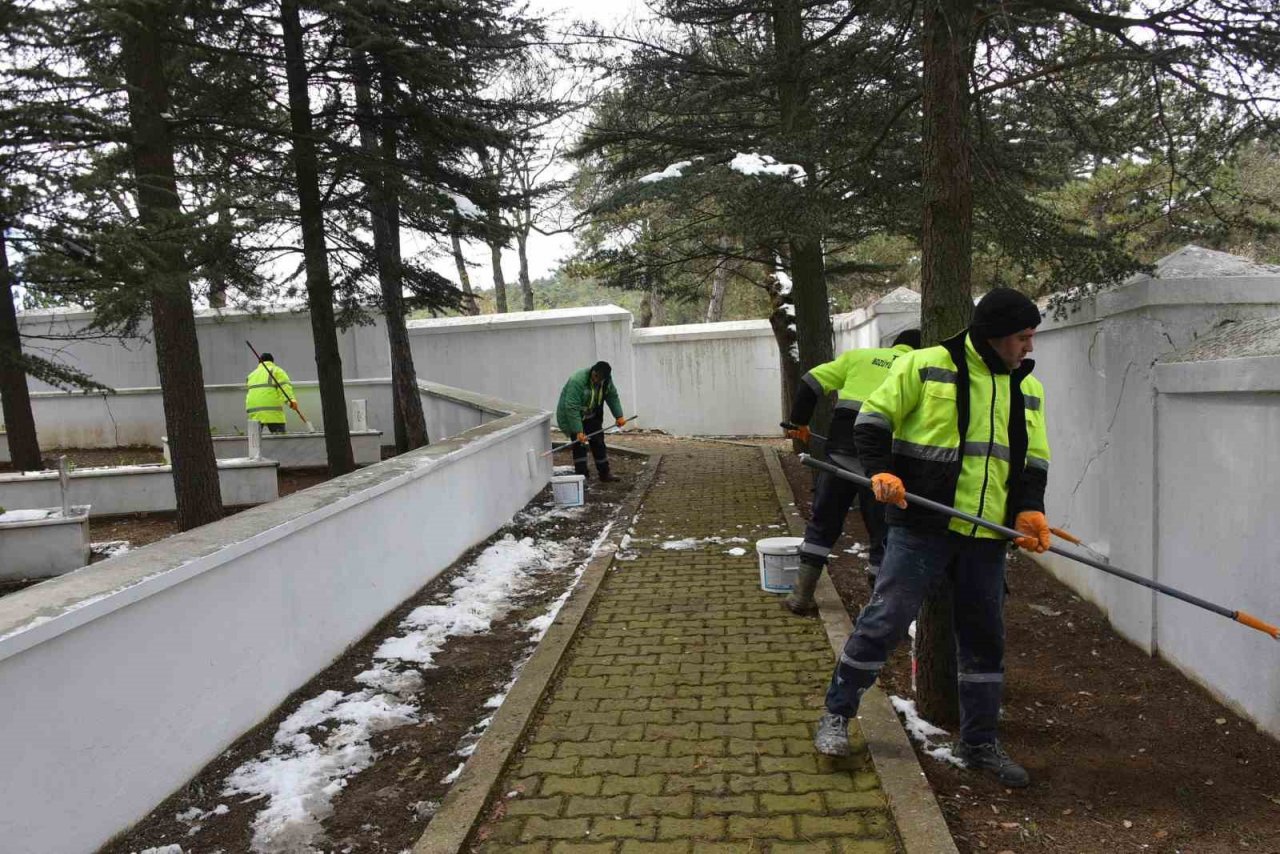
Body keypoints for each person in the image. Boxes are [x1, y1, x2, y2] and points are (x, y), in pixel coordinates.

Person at [812, 288, 1052, 790]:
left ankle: (978, 742)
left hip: (986, 533)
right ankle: (836, 714)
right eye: (1023, 338)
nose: (1029, 348)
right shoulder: (924, 365)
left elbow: (1032, 458)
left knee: (985, 639)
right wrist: (882, 472)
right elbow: (871, 422)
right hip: (921, 526)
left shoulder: (1027, 388)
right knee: (885, 622)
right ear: (994, 336)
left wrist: (1030, 509)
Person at [783, 329, 923, 613]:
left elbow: (810, 381)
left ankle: (801, 595)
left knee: (823, 524)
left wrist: (799, 422)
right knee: (882, 534)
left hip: (839, 455)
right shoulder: (917, 367)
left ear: (893, 345)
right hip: (881, 466)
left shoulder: (860, 357)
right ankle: (877, 610)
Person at [555, 361, 626, 482]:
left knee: (598, 442)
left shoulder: (607, 381)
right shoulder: (577, 380)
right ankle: (582, 477)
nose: (596, 381)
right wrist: (578, 431)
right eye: (595, 377)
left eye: (600, 379)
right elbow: (571, 407)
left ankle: (604, 473)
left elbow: (612, 396)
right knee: (579, 445)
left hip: (592, 415)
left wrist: (618, 415)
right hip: (572, 416)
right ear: (593, 372)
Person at [245, 352, 298, 435]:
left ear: (259, 362)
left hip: (254, 412)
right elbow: (284, 387)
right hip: (272, 411)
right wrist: (291, 401)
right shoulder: (277, 371)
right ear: (272, 362)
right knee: (280, 441)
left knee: (254, 444)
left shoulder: (251, 375)